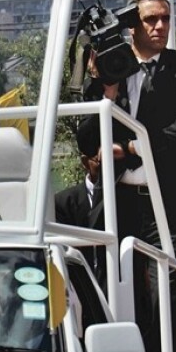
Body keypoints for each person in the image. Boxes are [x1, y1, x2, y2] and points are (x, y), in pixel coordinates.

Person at [84, 0, 176, 352]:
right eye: (150, 19)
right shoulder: (110, 67)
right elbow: (86, 135)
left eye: (165, 18)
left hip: (167, 200)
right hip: (119, 198)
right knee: (112, 285)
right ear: (131, 26)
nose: (159, 26)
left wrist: (132, 146)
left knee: (164, 291)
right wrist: (105, 88)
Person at [54, 122, 106, 285]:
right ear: (85, 162)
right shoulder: (63, 203)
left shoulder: (126, 198)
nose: (108, 169)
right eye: (101, 162)